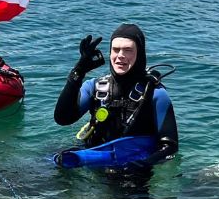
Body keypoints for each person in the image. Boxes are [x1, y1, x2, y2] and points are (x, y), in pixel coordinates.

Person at [54, 23, 178, 169]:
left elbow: (170, 147)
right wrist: (78, 72)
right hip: (93, 161)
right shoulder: (94, 87)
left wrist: (140, 165)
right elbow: (63, 118)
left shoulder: (156, 94)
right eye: (116, 50)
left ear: (139, 54)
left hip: (134, 171)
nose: (120, 55)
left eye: (128, 50)